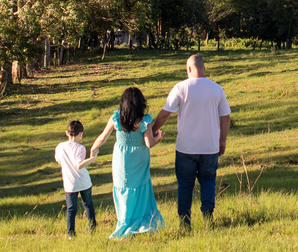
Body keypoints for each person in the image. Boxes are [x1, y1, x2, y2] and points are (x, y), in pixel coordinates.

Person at [153, 54, 231, 228]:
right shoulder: (217, 88)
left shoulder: (180, 88)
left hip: (186, 148)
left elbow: (165, 113)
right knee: (208, 180)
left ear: (188, 69)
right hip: (210, 147)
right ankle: (208, 213)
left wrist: (152, 130)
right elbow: (226, 117)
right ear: (204, 68)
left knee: (185, 185)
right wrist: (222, 141)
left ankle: (185, 221)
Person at [89, 87, 164, 238]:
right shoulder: (144, 120)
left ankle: (124, 221)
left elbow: (103, 136)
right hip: (139, 159)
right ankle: (143, 223)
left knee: (122, 187)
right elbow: (148, 143)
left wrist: (93, 148)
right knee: (140, 188)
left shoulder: (116, 118)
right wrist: (159, 137)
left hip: (121, 160)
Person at [54, 119, 97, 239]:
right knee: (88, 205)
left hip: (70, 183)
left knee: (71, 209)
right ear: (80, 134)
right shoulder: (80, 148)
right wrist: (93, 158)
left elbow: (59, 161)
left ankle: (70, 233)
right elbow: (79, 165)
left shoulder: (60, 147)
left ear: (67, 133)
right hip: (83, 182)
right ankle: (92, 227)